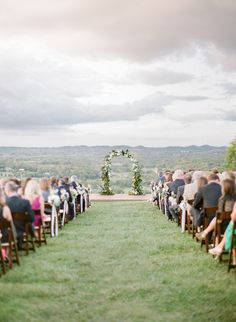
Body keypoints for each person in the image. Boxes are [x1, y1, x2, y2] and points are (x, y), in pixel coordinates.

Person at [5, 181, 35, 247]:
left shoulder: (5, 203)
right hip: (23, 228)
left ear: (7, 190)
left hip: (8, 230)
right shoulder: (25, 202)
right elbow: (32, 218)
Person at [0, 186, 14, 260]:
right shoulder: (5, 209)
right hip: (4, 237)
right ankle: (5, 254)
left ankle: (3, 253)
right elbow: (10, 223)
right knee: (8, 231)